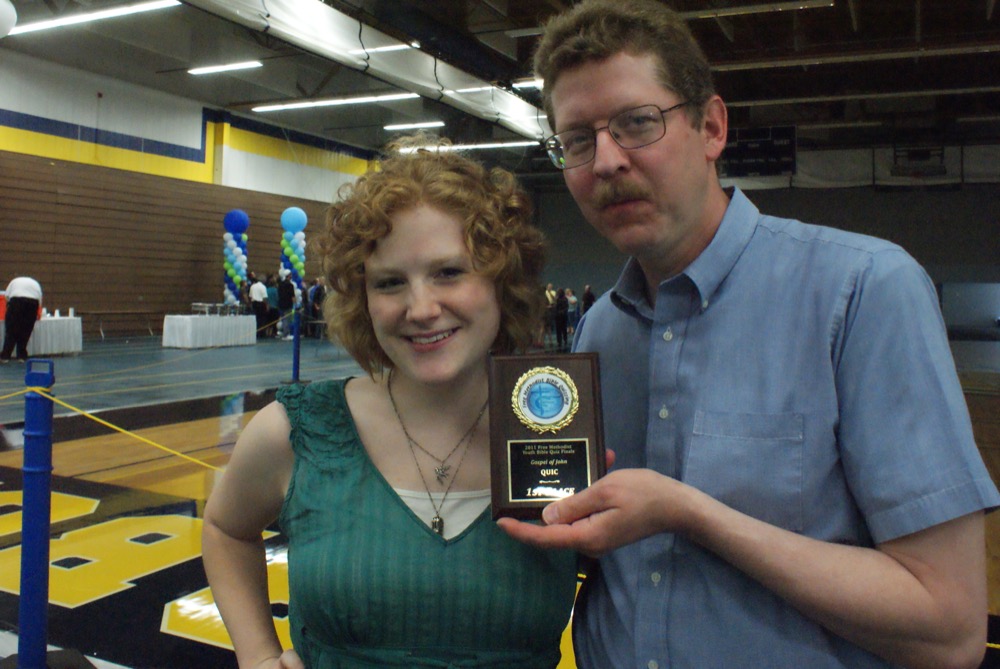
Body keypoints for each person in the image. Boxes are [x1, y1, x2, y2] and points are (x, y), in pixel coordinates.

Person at [498, 2, 1000, 669]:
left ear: (711, 127)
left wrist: (689, 513)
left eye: (637, 122)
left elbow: (950, 628)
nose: (607, 162)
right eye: (578, 141)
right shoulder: (601, 330)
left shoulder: (863, 291)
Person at [201, 140, 577, 669]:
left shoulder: (563, 429)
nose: (420, 309)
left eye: (449, 272)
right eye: (390, 282)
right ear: (363, 298)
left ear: (503, 280)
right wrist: (258, 655)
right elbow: (225, 529)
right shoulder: (297, 432)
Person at [1, 276, 42, 364]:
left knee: (11, 330)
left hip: (16, 302)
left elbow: (7, 296)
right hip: (32, 303)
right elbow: (39, 300)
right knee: (26, 331)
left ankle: (5, 356)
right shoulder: (35, 284)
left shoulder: (14, 281)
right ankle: (22, 356)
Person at [248, 273, 269, 339]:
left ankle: (256, 332)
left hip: (254, 303)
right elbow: (264, 298)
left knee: (256, 318)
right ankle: (261, 333)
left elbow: (250, 296)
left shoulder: (252, 286)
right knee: (262, 319)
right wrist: (267, 305)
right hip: (261, 304)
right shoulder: (263, 287)